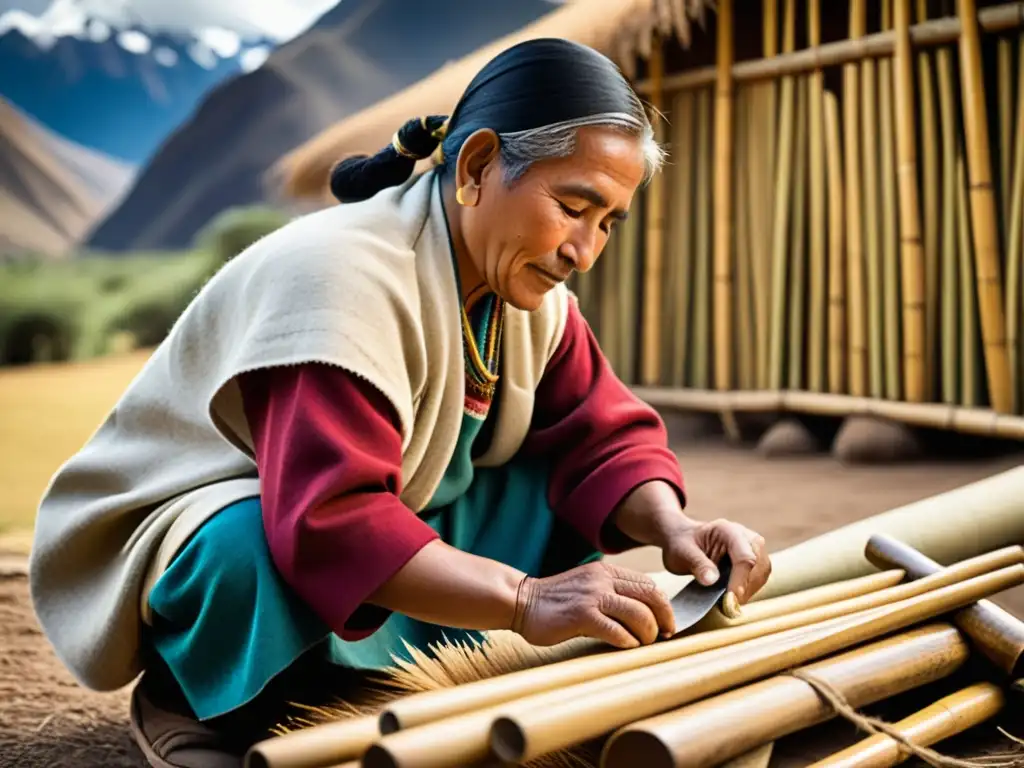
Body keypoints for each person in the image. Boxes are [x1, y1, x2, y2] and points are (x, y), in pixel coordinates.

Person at [29, 38, 771, 768]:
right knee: (248, 548)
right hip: (207, 533)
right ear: (479, 166)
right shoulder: (335, 280)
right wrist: (523, 599)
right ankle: (200, 699)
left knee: (549, 484)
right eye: (574, 205)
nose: (585, 248)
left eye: (608, 220)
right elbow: (330, 518)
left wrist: (677, 527)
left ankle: (372, 681)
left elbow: (600, 437)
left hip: (369, 520)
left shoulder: (533, 303)